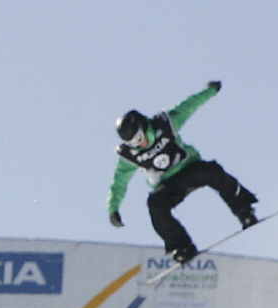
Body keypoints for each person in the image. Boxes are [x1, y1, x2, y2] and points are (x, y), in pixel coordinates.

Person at [107, 82, 259, 263]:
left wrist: (210, 91)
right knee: (155, 205)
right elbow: (119, 182)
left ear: (144, 127)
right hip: (168, 184)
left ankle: (244, 210)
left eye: (139, 138)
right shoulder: (130, 155)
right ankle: (182, 246)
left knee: (212, 171)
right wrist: (113, 209)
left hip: (189, 169)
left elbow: (189, 106)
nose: (139, 144)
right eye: (132, 143)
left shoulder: (165, 125)